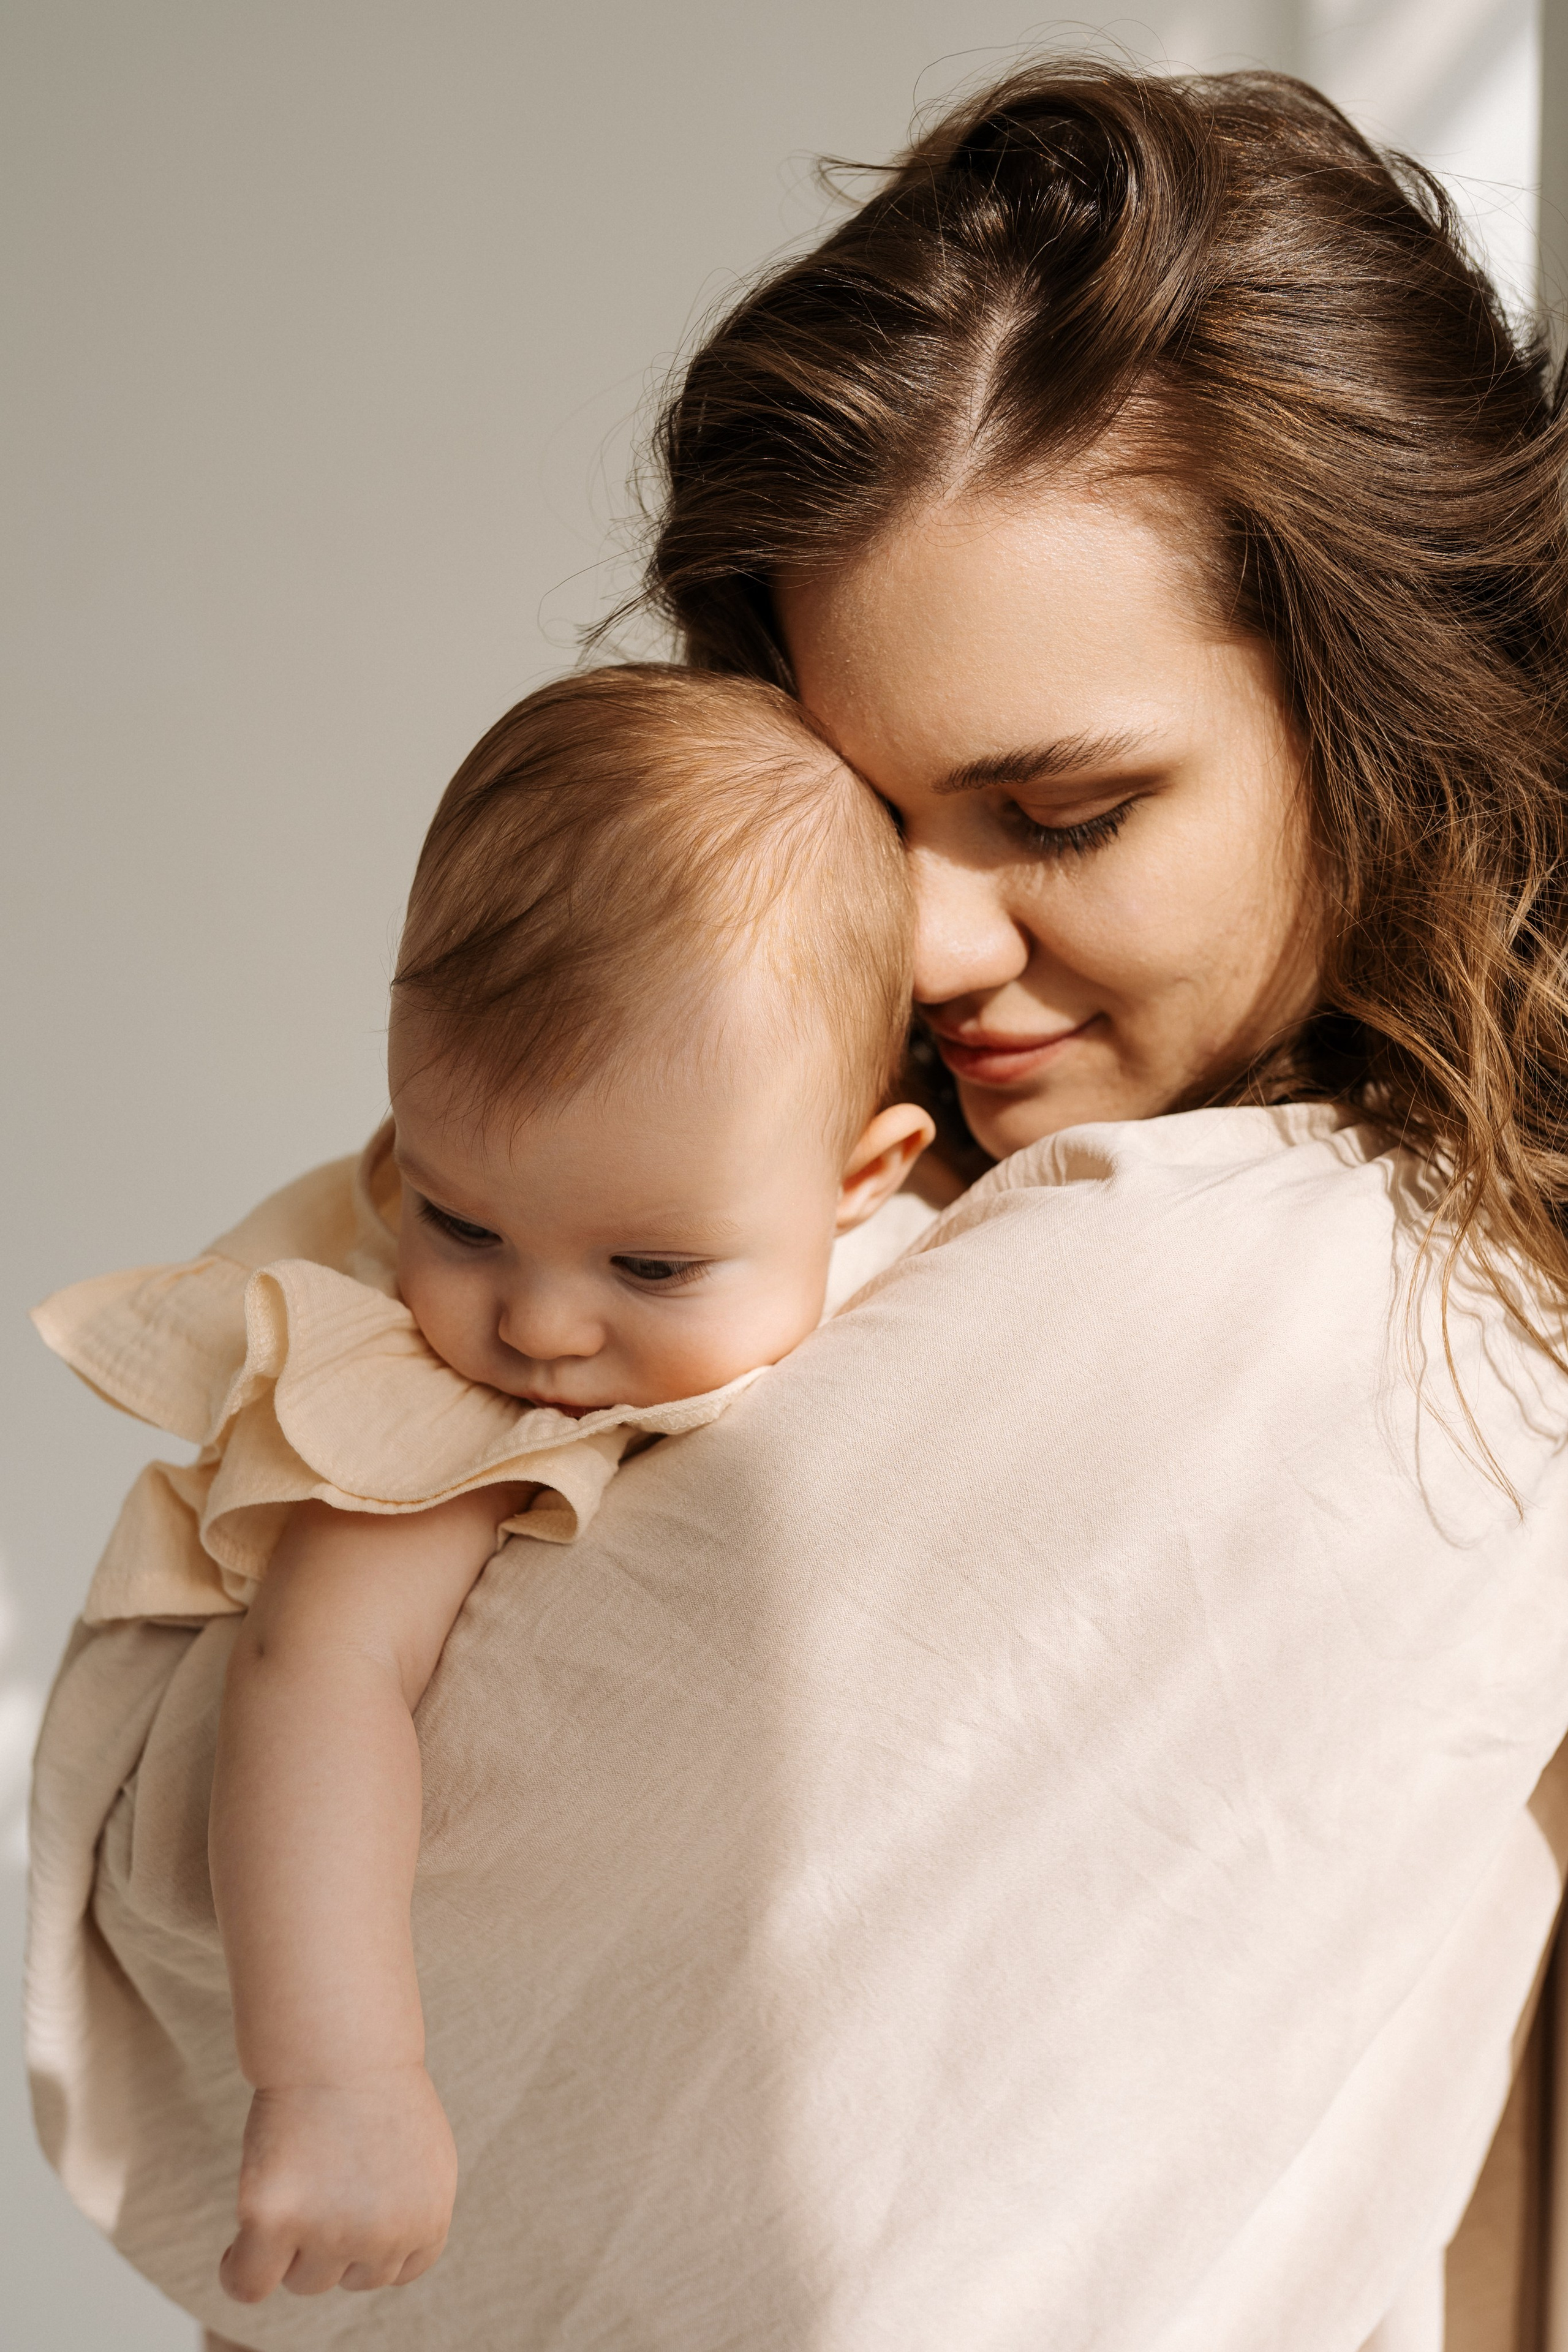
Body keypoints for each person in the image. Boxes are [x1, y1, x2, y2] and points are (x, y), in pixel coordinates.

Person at [26, 59, 1568, 2352]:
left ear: (1382, 720)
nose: (933, 949)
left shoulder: (1335, 1300)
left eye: (1061, 812)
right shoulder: (705, 1110)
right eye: (863, 807)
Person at [32, 663, 936, 2307]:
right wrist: (341, 2080)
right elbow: (317, 1673)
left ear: (866, 1175)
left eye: (650, 1264)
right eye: (459, 1222)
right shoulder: (437, 1399)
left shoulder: (955, 1270)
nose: (534, 1324)